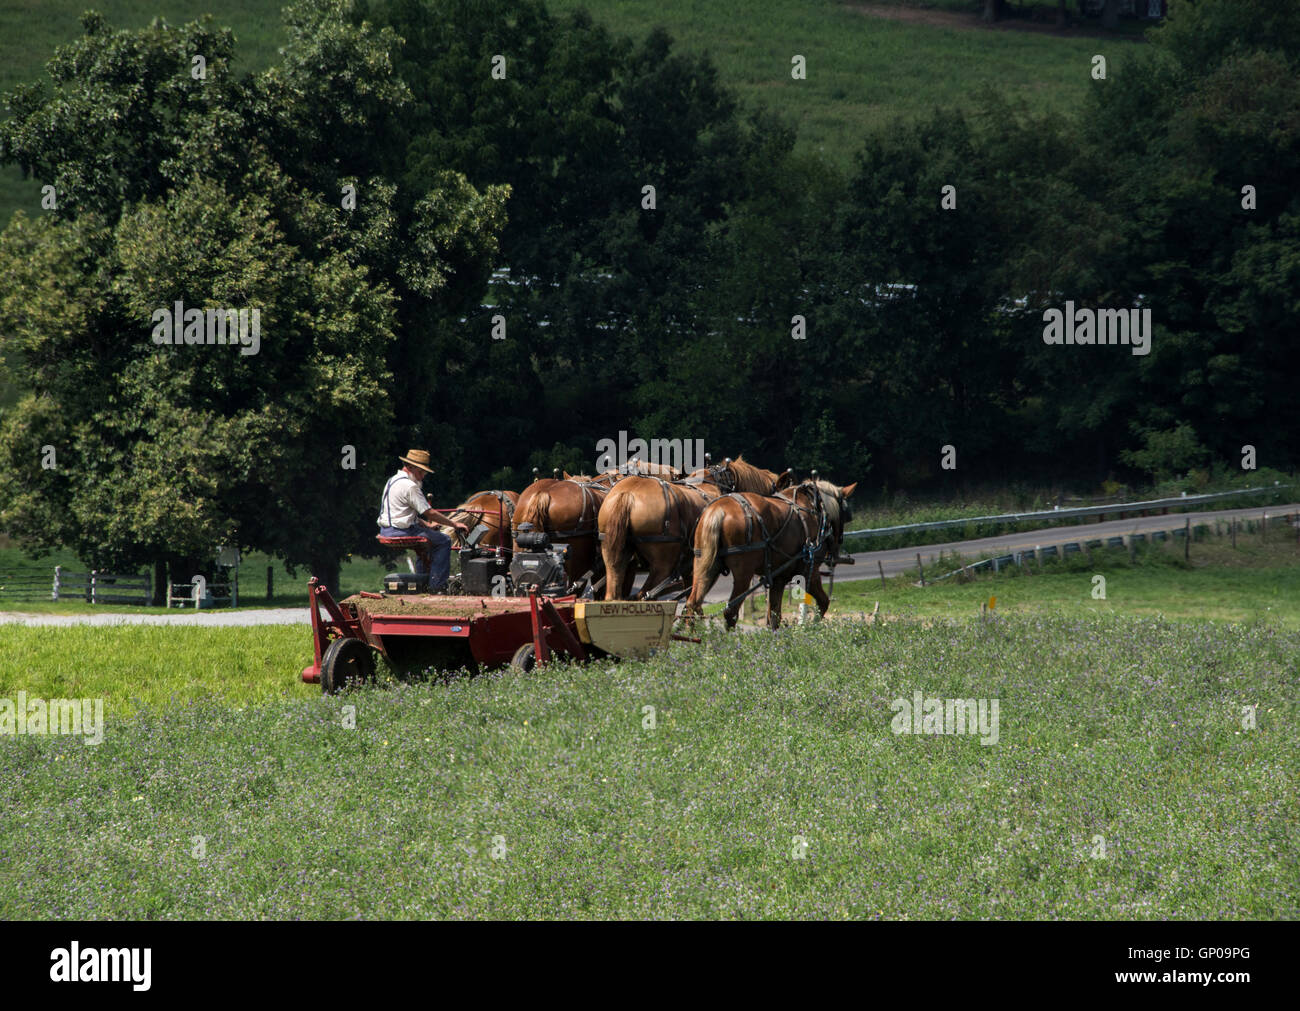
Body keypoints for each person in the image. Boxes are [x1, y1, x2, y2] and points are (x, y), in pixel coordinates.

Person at [376, 449, 468, 591]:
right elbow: (430, 513)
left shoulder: (392, 481)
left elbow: (401, 514)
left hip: (387, 530)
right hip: (401, 531)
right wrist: (454, 524)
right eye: (421, 472)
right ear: (410, 467)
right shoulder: (410, 486)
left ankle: (421, 582)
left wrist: (427, 526)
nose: (422, 476)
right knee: (444, 540)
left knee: (427, 542)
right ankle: (437, 586)